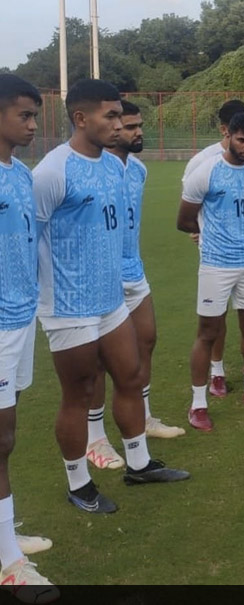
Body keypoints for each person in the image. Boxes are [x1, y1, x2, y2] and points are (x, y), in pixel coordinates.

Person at [34, 79, 189, 515]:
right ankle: (78, 483)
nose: (119, 125)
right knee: (79, 394)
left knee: (132, 374)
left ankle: (138, 463)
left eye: (121, 116)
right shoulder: (52, 170)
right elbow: (29, 236)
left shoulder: (114, 166)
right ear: (80, 118)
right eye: (111, 116)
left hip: (111, 298)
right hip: (68, 305)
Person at [85, 100, 184, 471]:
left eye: (139, 125)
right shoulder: (96, 169)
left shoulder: (138, 170)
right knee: (96, 361)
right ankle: (95, 438)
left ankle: (143, 416)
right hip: (100, 277)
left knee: (146, 341)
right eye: (129, 126)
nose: (137, 131)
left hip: (134, 270)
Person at [178, 111, 244, 432]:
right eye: (241, 140)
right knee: (207, 332)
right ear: (229, 136)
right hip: (216, 264)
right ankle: (198, 404)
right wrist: (212, 234)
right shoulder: (206, 172)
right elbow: (184, 220)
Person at [0, 74, 59, 596]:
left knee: (6, 435)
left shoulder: (19, 175)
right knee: (0, 437)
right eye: (24, 115)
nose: (34, 125)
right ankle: (7, 560)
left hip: (20, 318)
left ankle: (2, 538)